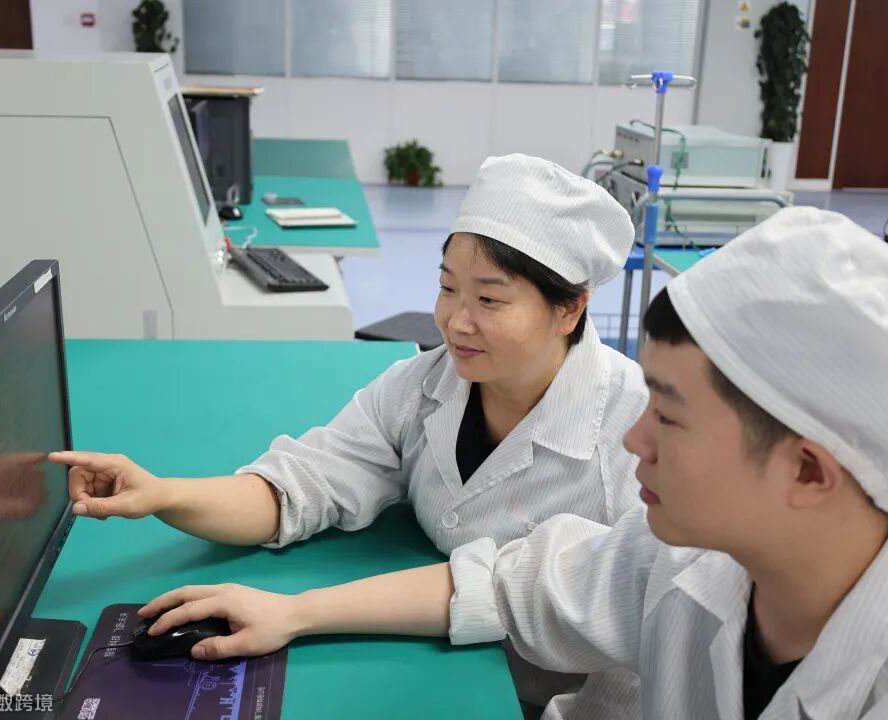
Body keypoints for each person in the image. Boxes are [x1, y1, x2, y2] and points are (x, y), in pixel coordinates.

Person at [132, 207, 888, 720]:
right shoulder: (675, 561)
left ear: (808, 471)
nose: (636, 440)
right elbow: (505, 584)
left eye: (670, 417)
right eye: (448, 288)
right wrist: (293, 613)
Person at [51, 154, 649, 718]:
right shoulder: (424, 384)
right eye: (447, 289)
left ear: (569, 310)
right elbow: (305, 482)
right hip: (437, 660)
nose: (456, 322)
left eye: (489, 299)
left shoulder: (635, 442)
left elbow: (638, 661)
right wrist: (162, 493)